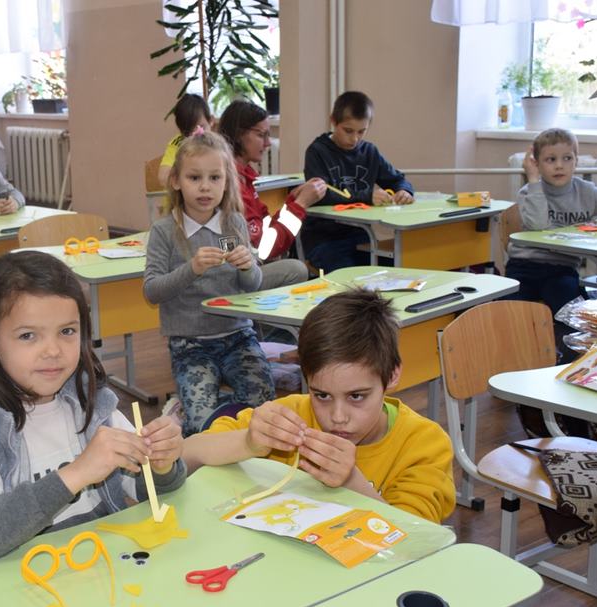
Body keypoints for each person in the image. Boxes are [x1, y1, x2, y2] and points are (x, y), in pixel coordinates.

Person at [0, 251, 185, 564]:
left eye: (67, 331)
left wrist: (162, 464)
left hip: (103, 569)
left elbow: (145, 491)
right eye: (28, 336)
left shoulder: (93, 405)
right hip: (22, 584)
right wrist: (76, 473)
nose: (53, 350)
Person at [183, 289, 455, 523]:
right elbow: (187, 454)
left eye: (356, 396)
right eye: (322, 395)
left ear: (392, 375)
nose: (338, 417)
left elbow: (417, 541)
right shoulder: (292, 415)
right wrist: (248, 442)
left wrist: (351, 482)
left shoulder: (424, 443)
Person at [143, 132, 274, 436]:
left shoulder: (233, 223)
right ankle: (188, 410)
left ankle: (216, 410)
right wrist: (192, 269)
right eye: (194, 177)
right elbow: (152, 291)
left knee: (263, 404)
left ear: (226, 181)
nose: (205, 187)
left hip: (238, 336)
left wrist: (248, 266)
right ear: (176, 181)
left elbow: (252, 286)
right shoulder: (164, 231)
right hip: (189, 343)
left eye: (215, 178)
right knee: (201, 423)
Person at [508, 127, 597, 358]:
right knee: (509, 312)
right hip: (524, 267)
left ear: (576, 161)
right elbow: (538, 226)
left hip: (561, 269)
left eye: (567, 158)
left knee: (572, 311)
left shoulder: (586, 192)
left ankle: (570, 360)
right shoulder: (530, 191)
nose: (559, 166)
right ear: (536, 164)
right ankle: (519, 359)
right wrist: (533, 179)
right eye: (550, 160)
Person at [302, 91, 414, 272]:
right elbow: (321, 195)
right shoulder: (317, 152)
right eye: (348, 131)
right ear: (333, 121)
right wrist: (367, 196)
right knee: (353, 280)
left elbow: (397, 179)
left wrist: (404, 191)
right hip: (324, 240)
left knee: (397, 268)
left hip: (361, 238)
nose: (354, 139)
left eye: (362, 132)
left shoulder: (369, 152)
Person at [218, 99, 325, 288]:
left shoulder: (245, 178)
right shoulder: (232, 183)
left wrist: (292, 201)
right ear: (238, 134)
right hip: (235, 276)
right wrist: (300, 205)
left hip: (248, 266)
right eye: (261, 135)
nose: (268, 143)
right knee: (297, 269)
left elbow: (266, 228)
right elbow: (266, 249)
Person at [156, 93, 213, 186]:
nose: (195, 135)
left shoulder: (218, 144)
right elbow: (163, 178)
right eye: (188, 132)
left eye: (201, 128)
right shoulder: (178, 143)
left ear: (211, 121)